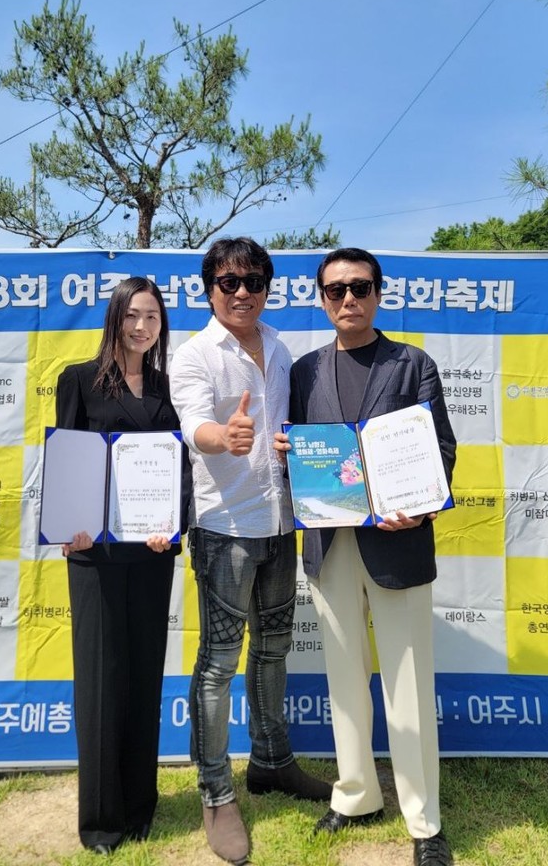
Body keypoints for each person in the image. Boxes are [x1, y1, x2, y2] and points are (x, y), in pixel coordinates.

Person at [275, 247, 456, 866]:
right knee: (343, 676)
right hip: (330, 542)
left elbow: (441, 449)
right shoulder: (303, 372)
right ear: (322, 299)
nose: (348, 299)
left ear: (378, 293)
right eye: (335, 290)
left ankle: (424, 822)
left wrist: (423, 505)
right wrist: (287, 453)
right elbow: (299, 454)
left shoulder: (413, 363)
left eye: (359, 287)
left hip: (398, 538)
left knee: (409, 681)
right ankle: (355, 795)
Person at [169, 237, 331, 865]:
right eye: (229, 282)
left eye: (254, 282)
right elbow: (194, 426)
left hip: (280, 522)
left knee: (274, 649)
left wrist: (286, 444)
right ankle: (216, 792)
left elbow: (287, 427)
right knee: (217, 664)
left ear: (267, 287)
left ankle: (271, 761)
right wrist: (224, 435)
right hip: (224, 528)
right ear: (209, 288)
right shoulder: (194, 355)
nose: (242, 293)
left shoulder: (281, 348)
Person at [56, 276, 190, 855]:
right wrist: (68, 523)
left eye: (152, 317)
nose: (142, 326)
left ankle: (140, 807)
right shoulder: (79, 380)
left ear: (162, 325)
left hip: (152, 553)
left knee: (143, 674)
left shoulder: (167, 387)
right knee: (101, 680)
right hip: (96, 555)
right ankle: (102, 820)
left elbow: (179, 467)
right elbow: (67, 455)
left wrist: (173, 525)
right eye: (132, 315)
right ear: (115, 317)